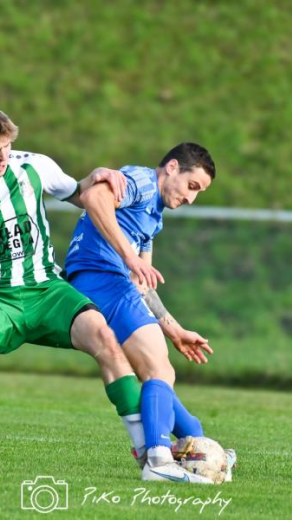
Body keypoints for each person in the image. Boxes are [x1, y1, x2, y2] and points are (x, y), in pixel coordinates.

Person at [0, 103, 143, 473]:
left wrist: (96, 176)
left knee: (103, 335)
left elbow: (77, 192)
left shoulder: (34, 165)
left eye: (5, 146)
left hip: (46, 290)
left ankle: (146, 450)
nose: (2, 156)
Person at [64, 142, 235, 483]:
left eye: (198, 192)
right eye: (192, 186)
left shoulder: (153, 218)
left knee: (157, 373)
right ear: (172, 168)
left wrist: (173, 329)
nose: (191, 199)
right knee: (159, 370)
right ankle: (157, 459)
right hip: (102, 279)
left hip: (110, 284)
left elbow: (144, 285)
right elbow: (94, 198)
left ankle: (200, 445)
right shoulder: (142, 182)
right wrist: (128, 257)